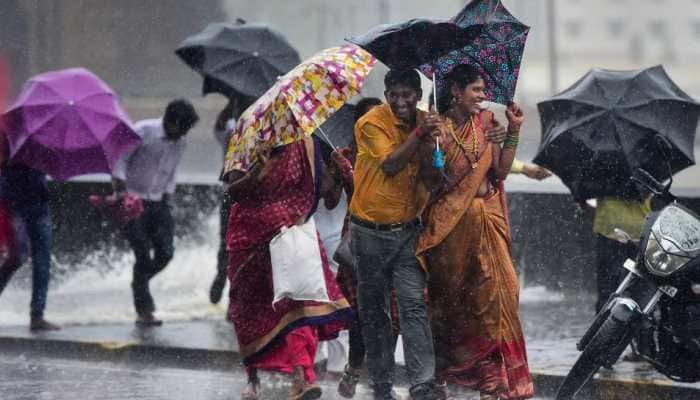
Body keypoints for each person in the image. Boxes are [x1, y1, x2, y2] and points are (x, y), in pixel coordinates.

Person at [349, 69, 506, 400]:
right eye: (395, 95)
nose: (401, 102)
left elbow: (433, 177)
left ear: (419, 96)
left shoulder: (428, 121)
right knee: (376, 313)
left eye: (408, 95)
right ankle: (381, 384)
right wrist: (422, 132)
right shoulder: (371, 123)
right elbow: (391, 165)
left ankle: (421, 384)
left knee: (413, 306)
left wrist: (437, 143)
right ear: (387, 93)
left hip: (407, 231)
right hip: (370, 233)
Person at [415, 64, 533, 400]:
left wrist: (513, 130)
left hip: (488, 219)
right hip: (450, 227)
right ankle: (462, 374)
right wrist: (432, 145)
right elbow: (430, 184)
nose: (483, 97)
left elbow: (501, 170)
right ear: (455, 91)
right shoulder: (436, 127)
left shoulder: (486, 123)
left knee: (502, 292)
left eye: (482, 90)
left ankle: (496, 378)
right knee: (455, 303)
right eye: (476, 91)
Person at [224, 137, 350, 400]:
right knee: (248, 308)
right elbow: (233, 192)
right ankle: (253, 378)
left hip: (292, 230)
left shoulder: (308, 145)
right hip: (249, 237)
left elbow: (328, 197)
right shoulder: (246, 142)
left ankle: (302, 377)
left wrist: (339, 173)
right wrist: (258, 170)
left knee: (299, 305)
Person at [112, 99, 199, 326]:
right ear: (172, 121)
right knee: (142, 253)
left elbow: (171, 170)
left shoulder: (180, 142)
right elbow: (120, 159)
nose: (183, 135)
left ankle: (139, 282)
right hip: (132, 198)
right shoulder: (143, 130)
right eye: (182, 129)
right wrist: (120, 190)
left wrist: (168, 195)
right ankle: (144, 311)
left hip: (159, 201)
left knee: (166, 252)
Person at [0, 133, 60, 331]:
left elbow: (51, 163)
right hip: (13, 204)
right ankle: (37, 315)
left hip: (39, 203)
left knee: (42, 260)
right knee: (18, 256)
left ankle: (37, 315)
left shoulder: (45, 137)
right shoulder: (7, 134)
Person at [208, 95, 254, 305]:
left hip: (251, 195)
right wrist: (231, 100)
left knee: (245, 247)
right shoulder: (232, 132)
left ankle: (235, 295)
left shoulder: (260, 136)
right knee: (226, 242)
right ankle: (221, 276)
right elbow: (219, 126)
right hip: (231, 194)